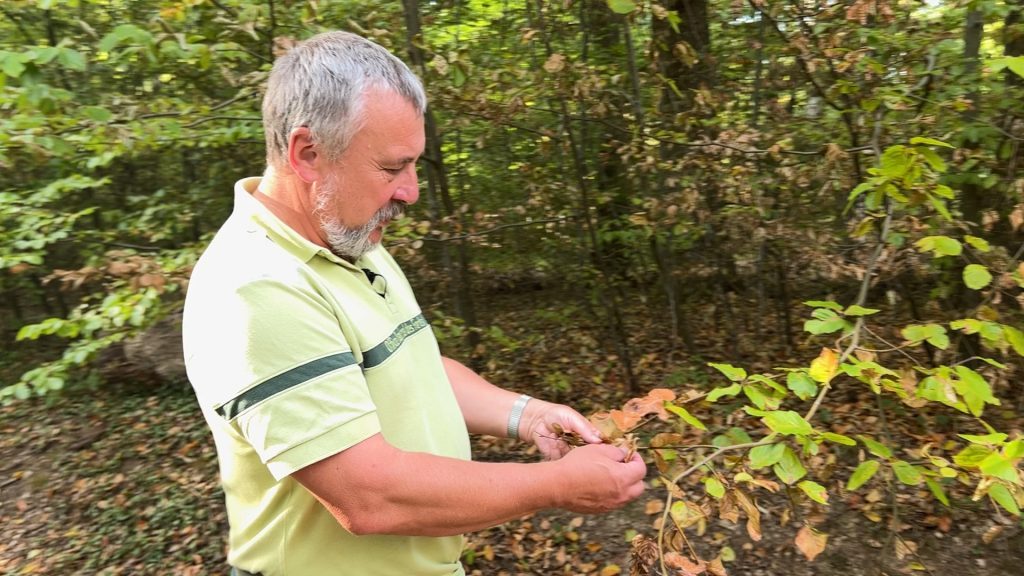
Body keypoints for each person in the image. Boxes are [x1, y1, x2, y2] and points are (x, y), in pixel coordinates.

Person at [182, 30, 646, 576]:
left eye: (414, 165)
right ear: (307, 154)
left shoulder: (352, 241)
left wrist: (528, 416)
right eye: (391, 167)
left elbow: (414, 367)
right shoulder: (258, 287)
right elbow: (368, 495)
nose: (411, 191)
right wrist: (558, 485)